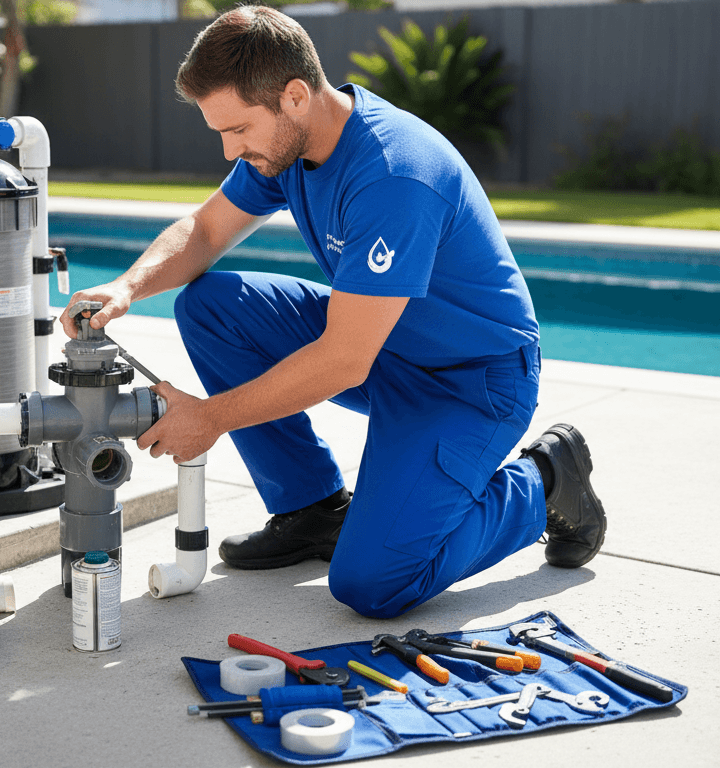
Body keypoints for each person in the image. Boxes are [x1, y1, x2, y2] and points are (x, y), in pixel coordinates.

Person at [60, 5, 606, 619]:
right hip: (384, 346)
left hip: (470, 382)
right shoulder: (291, 145)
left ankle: (546, 481)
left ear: (295, 96)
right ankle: (312, 509)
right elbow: (206, 230)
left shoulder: (395, 176)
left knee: (375, 584)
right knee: (213, 306)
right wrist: (127, 286)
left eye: (237, 129)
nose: (229, 150)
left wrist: (210, 418)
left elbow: (344, 361)